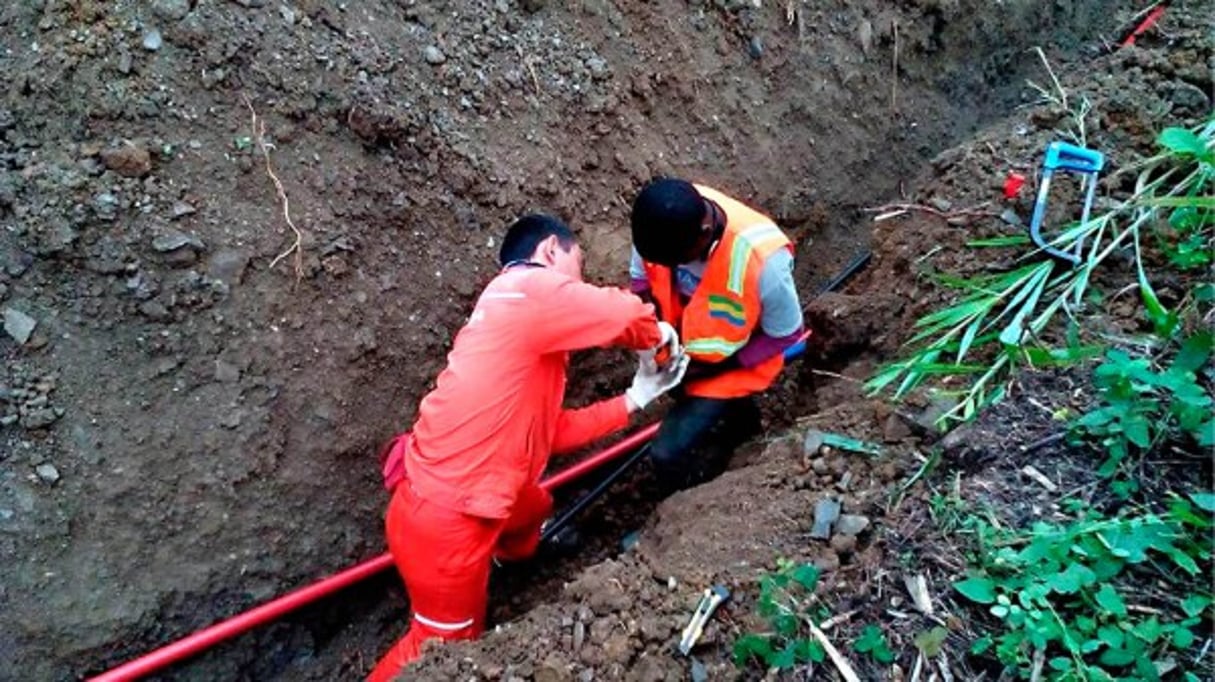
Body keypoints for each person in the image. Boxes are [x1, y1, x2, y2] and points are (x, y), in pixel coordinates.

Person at [368, 214, 688, 682]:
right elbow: (623, 315)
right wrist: (657, 336)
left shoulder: (512, 317)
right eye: (577, 264)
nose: (579, 281)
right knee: (437, 654)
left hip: (448, 503)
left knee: (534, 501)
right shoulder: (525, 289)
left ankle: (507, 560)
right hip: (445, 530)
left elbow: (548, 434)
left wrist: (634, 399)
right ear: (548, 252)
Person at [628, 177, 804, 493]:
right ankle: (740, 429)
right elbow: (642, 284)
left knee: (666, 454)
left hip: (732, 364)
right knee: (696, 404)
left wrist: (704, 371)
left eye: (676, 262)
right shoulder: (660, 221)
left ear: (705, 233)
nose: (667, 266)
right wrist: (655, 338)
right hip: (685, 350)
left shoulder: (764, 263)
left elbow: (786, 335)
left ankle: (688, 498)